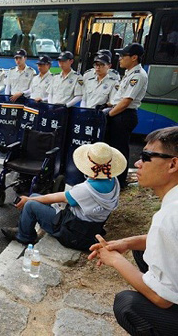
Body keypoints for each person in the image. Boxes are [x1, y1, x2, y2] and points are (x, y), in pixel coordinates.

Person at [88, 127, 178, 335]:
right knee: (141, 250)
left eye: (146, 157)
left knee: (127, 304)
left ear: (173, 164)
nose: (138, 163)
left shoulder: (169, 216)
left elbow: (161, 299)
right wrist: (127, 243)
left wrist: (115, 260)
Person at [1, 142, 125, 249]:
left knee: (30, 204)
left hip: (72, 233)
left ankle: (24, 237)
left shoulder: (86, 190)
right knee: (34, 196)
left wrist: (28, 199)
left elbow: (58, 197)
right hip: (91, 228)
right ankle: (24, 228)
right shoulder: (112, 180)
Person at [105, 43, 148, 189]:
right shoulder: (129, 73)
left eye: (123, 56)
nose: (120, 59)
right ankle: (112, 178)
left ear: (134, 58)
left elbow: (126, 101)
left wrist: (109, 115)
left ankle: (120, 181)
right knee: (112, 147)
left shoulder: (137, 76)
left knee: (120, 149)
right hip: (119, 112)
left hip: (124, 115)